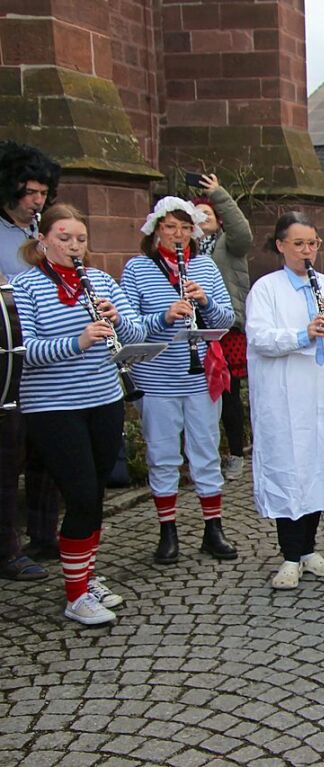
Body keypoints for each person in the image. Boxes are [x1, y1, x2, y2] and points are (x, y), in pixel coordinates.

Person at [12, 204, 146, 624]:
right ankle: (75, 596)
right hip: (53, 407)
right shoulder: (25, 287)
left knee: (96, 496)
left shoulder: (101, 280)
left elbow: (137, 333)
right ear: (43, 240)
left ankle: (84, 577)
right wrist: (79, 341)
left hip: (104, 398)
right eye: (65, 238)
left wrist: (118, 319)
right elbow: (24, 352)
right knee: (82, 495)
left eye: (81, 239)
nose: (74, 246)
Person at [246, 212, 324, 588]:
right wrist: (303, 333)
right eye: (299, 244)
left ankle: (309, 549)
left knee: (318, 467)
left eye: (313, 243)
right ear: (280, 246)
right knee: (289, 468)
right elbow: (260, 338)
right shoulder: (266, 288)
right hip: (285, 394)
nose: (307, 251)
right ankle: (290, 556)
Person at [120, 197, 237, 565]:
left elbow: (225, 321)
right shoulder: (137, 269)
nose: (179, 235)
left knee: (205, 451)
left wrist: (204, 303)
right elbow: (129, 328)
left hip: (200, 375)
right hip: (156, 378)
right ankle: (167, 531)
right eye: (171, 227)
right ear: (156, 230)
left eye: (186, 228)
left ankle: (212, 528)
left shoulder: (204, 266)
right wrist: (165, 318)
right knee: (163, 455)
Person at [0, 141, 62, 580]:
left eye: (43, 194)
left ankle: (45, 533)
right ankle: (7, 549)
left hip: (48, 353)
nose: (37, 202)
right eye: (29, 193)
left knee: (48, 446)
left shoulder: (40, 232)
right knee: (9, 452)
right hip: (8, 351)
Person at [192, 174, 253, 482]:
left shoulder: (229, 244)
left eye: (209, 215)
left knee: (228, 391)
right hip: (194, 326)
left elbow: (243, 232)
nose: (204, 219)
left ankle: (234, 452)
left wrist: (218, 195)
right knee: (198, 391)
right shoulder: (185, 250)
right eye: (198, 214)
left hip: (227, 325)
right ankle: (202, 454)